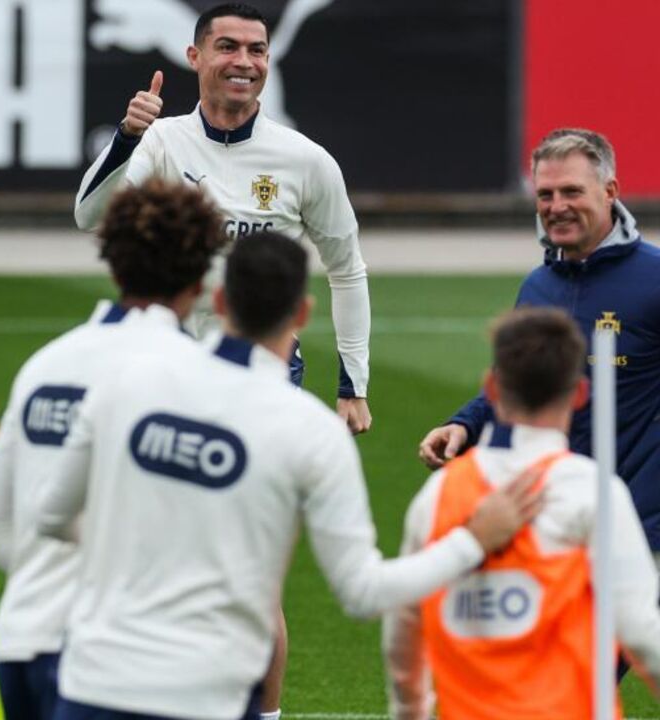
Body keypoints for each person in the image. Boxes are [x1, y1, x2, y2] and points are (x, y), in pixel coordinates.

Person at [35, 232, 541, 720]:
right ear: (302, 313)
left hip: (95, 676)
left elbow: (53, 515)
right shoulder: (310, 430)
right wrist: (473, 541)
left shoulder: (131, 382)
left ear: (219, 300)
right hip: (205, 690)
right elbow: (363, 592)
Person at [0, 178, 226, 720]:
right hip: (123, 657)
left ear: (113, 267)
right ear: (203, 278)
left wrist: (51, 579)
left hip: (23, 639)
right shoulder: (193, 374)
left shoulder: (45, 364)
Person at [73, 1, 372, 436]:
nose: (244, 62)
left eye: (257, 50)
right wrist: (127, 137)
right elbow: (89, 216)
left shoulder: (307, 160)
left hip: (267, 371)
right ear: (194, 56)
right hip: (172, 366)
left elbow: (346, 270)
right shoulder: (158, 140)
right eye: (228, 47)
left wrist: (353, 386)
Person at [385, 307, 660, 719]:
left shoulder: (439, 493)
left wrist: (410, 709)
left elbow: (404, 628)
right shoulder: (593, 491)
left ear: (490, 388)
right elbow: (641, 632)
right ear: (580, 394)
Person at [418, 128, 660, 554]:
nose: (557, 207)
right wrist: (463, 425)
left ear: (610, 192)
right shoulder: (538, 286)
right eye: (546, 194)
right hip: (559, 527)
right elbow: (515, 384)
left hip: (643, 533)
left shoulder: (654, 278)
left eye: (571, 192)